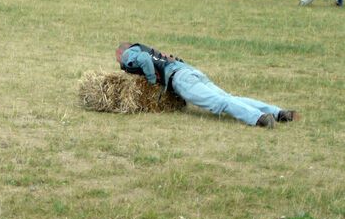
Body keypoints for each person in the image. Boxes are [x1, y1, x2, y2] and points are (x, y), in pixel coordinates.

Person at [116, 42, 300, 128]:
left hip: (179, 78)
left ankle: (259, 118)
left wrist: (151, 80)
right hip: (189, 71)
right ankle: (278, 113)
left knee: (219, 103)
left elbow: (143, 59)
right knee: (228, 98)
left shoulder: (129, 53)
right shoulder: (145, 47)